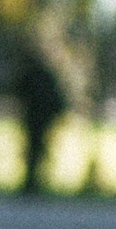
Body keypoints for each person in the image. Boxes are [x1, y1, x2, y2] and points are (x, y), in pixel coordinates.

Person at [12, 40, 67, 196]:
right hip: (41, 117)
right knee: (36, 150)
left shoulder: (32, 73)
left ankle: (32, 183)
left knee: (35, 150)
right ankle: (33, 182)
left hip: (38, 117)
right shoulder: (41, 73)